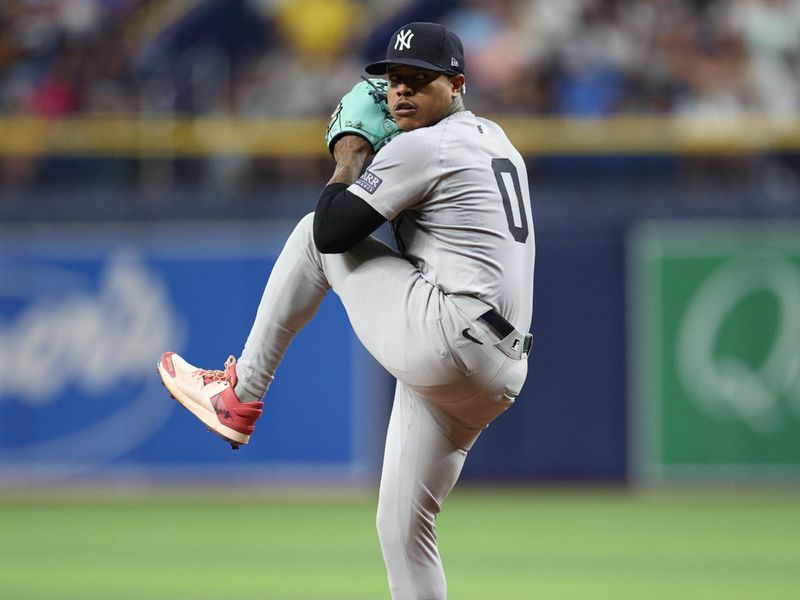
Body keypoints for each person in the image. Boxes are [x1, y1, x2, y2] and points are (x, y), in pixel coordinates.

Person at [157, 22, 534, 600]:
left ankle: (239, 393)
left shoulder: (426, 145)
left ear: (456, 85)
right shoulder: (495, 140)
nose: (401, 92)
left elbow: (334, 232)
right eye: (393, 81)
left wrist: (350, 152)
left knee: (311, 235)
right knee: (403, 530)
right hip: (497, 371)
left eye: (419, 80)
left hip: (450, 338)